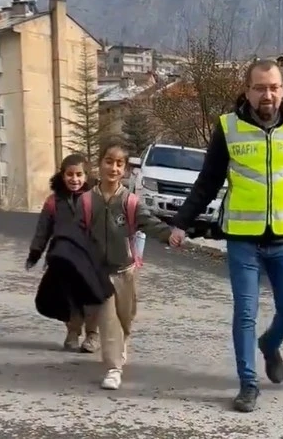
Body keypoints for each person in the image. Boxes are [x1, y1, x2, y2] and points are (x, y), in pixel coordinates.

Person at [168, 59, 283, 412]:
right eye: (259, 88)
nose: (267, 94)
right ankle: (248, 384)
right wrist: (181, 223)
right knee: (246, 313)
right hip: (243, 240)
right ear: (247, 90)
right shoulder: (228, 127)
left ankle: (269, 345)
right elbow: (207, 183)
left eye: (273, 87)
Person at [90, 139, 171, 390]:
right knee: (108, 319)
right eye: (108, 162)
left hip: (125, 270)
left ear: (125, 170)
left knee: (125, 318)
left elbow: (149, 223)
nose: (113, 168)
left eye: (119, 164)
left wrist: (171, 235)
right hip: (98, 273)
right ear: (99, 164)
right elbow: (74, 233)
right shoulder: (86, 201)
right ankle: (113, 368)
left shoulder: (130, 202)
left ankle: (119, 352)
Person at [26, 154, 100, 353]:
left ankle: (92, 335)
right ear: (62, 175)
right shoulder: (53, 201)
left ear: (86, 176)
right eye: (70, 174)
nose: (74, 179)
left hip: (90, 258)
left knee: (91, 297)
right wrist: (35, 252)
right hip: (63, 259)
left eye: (79, 175)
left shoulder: (95, 198)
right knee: (70, 297)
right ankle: (73, 332)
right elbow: (43, 229)